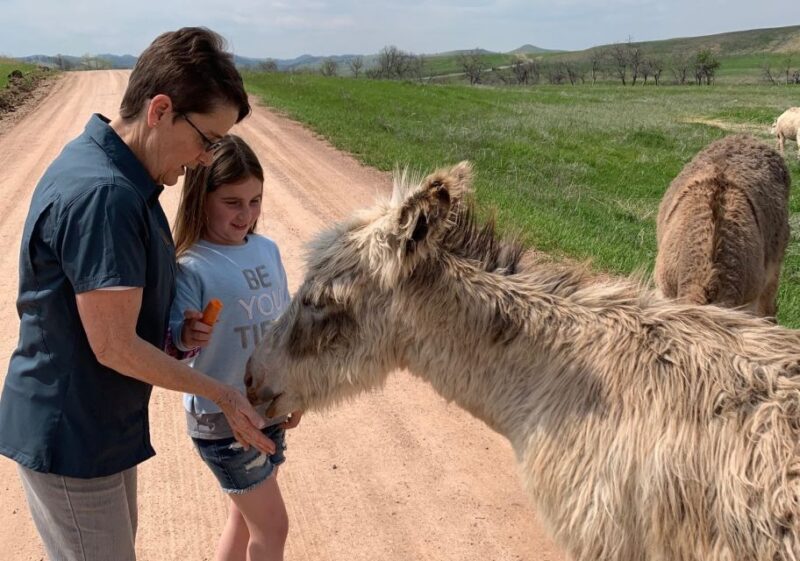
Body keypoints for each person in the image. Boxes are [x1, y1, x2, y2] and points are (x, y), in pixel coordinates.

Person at [0, 27, 275, 561]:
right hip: (73, 434)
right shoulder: (106, 195)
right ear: (160, 109)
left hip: (96, 427)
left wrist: (175, 334)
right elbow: (115, 346)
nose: (204, 158)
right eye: (207, 139)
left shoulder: (121, 175)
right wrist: (221, 394)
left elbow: (121, 321)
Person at [169, 134, 302, 561]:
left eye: (255, 201)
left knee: (243, 519)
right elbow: (174, 349)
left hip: (269, 409)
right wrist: (187, 336)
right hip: (222, 420)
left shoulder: (268, 250)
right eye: (232, 202)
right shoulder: (191, 266)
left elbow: (283, 329)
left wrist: (296, 388)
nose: (246, 214)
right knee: (273, 526)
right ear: (200, 197)